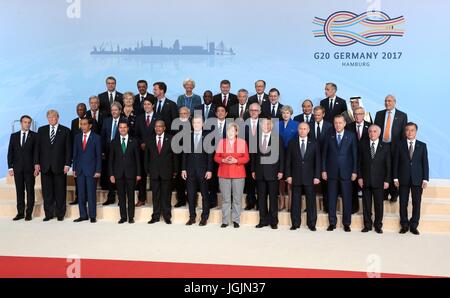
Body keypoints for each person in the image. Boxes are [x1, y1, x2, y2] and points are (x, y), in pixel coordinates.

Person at [322, 115, 357, 232]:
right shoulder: (328, 136)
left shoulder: (351, 136)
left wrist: (354, 171)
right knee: (331, 199)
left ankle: (346, 223)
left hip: (346, 173)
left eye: (340, 123)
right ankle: (332, 223)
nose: (338, 125)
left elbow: (355, 156)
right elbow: (324, 155)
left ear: (344, 124)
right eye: (336, 123)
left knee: (347, 199)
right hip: (331, 173)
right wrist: (323, 170)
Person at [36, 110, 72, 221]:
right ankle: (49, 214)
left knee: (60, 191)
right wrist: (36, 163)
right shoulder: (41, 130)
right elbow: (37, 149)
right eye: (50, 117)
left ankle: (60, 214)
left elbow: (68, 150)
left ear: (58, 117)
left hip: (60, 166)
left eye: (54, 117)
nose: (52, 119)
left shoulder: (65, 131)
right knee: (47, 192)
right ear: (47, 118)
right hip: (45, 166)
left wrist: (67, 164)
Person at [393, 122, 429, 235]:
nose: (410, 132)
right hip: (403, 179)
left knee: (416, 203)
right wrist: (395, 178)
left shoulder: (422, 145)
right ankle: (404, 225)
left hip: (417, 179)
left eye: (412, 130)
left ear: (416, 131)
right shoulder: (399, 145)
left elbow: (425, 163)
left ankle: (414, 225)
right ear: (405, 131)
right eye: (407, 130)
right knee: (403, 203)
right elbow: (395, 163)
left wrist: (425, 179)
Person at [285, 122, 321, 231]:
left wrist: (317, 176)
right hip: (295, 177)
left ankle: (312, 224)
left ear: (308, 130)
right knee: (295, 201)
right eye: (300, 128)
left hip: (310, 177)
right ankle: (295, 223)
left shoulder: (314, 143)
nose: (302, 131)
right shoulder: (292, 143)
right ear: (298, 129)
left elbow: (317, 161)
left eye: (305, 129)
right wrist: (288, 175)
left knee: (311, 201)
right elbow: (288, 161)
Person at [214, 123, 249, 228]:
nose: (230, 133)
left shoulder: (242, 143)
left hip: (238, 173)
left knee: (237, 199)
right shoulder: (221, 142)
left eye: (233, 131)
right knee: (225, 199)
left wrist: (236, 160)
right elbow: (216, 157)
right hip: (224, 173)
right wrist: (223, 160)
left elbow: (246, 158)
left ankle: (236, 220)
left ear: (236, 132)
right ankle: (225, 221)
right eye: (229, 131)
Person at [251, 118, 284, 229]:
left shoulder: (277, 138)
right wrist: (253, 170)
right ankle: (263, 220)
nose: (266, 126)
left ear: (271, 125)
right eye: (264, 124)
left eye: (268, 124)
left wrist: (281, 171)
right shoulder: (256, 138)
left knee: (273, 198)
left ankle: (273, 221)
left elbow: (281, 156)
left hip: (273, 172)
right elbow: (253, 156)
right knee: (261, 198)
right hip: (259, 172)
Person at [357, 124, 390, 234]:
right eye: (370, 131)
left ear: (379, 133)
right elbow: (359, 163)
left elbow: (388, 165)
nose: (372, 133)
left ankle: (378, 225)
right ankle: (367, 225)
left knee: (379, 205)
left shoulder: (385, 146)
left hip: (379, 181)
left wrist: (387, 180)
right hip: (365, 180)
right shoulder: (363, 145)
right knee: (366, 205)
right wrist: (360, 177)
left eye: (375, 131)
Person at [374, 95, 408, 203]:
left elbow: (404, 134)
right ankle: (383, 192)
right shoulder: (379, 114)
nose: (387, 103)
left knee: (394, 169)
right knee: (382, 168)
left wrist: (402, 149)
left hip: (395, 147)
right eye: (385, 101)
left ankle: (394, 193)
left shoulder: (402, 115)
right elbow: (375, 130)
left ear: (394, 102)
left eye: (389, 101)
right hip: (382, 146)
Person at [181, 116, 213, 226]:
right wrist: (183, 169)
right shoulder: (187, 137)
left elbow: (210, 155)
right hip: (190, 170)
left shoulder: (207, 137)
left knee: (205, 194)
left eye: (198, 122)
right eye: (194, 122)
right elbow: (184, 154)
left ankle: (204, 217)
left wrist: (209, 169)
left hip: (203, 170)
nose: (196, 124)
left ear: (203, 124)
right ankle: (192, 217)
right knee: (190, 194)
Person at [146, 120, 178, 225]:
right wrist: (147, 170)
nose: (158, 128)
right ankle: (155, 216)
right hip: (154, 172)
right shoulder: (150, 139)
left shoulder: (171, 138)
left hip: (167, 171)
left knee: (166, 195)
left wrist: (175, 170)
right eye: (156, 126)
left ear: (164, 128)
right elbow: (147, 157)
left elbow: (175, 156)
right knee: (155, 195)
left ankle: (166, 216)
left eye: (160, 126)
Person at [109, 120, 141, 224]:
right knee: (121, 197)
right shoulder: (114, 142)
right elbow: (111, 160)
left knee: (131, 196)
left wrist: (138, 173)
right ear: (118, 129)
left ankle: (131, 217)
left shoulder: (134, 141)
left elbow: (137, 159)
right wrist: (111, 174)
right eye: (120, 127)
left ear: (128, 128)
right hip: (118, 174)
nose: (122, 129)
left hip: (131, 173)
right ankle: (123, 217)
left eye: (124, 127)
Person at [7, 115, 39, 221]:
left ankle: (28, 213)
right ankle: (20, 213)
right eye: (25, 122)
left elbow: (36, 153)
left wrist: (36, 166)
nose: (27, 124)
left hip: (30, 169)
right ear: (21, 123)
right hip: (18, 168)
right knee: (19, 191)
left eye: (29, 122)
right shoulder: (14, 136)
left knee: (30, 191)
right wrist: (10, 168)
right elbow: (10, 152)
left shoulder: (35, 136)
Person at [72, 118, 102, 223]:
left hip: (91, 170)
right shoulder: (77, 137)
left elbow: (98, 156)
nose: (83, 126)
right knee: (81, 194)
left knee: (91, 193)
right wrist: (74, 168)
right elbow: (75, 154)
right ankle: (83, 215)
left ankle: (92, 215)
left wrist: (98, 170)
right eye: (81, 124)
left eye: (85, 124)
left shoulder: (96, 138)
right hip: (79, 170)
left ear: (90, 126)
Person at [347, 107, 371, 214]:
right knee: (352, 185)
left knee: (364, 183)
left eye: (360, 113)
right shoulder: (348, 126)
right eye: (355, 114)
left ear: (364, 114)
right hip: (351, 159)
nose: (357, 116)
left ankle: (367, 210)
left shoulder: (370, 126)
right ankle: (354, 207)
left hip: (365, 160)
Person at [309, 106, 332, 212]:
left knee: (326, 185)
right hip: (311, 159)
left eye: (318, 115)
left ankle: (327, 206)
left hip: (326, 159)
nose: (316, 117)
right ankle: (311, 207)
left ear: (323, 114)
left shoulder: (330, 126)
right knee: (310, 185)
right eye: (315, 115)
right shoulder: (309, 125)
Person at [134, 98, 157, 206]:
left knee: (155, 175)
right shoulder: (139, 118)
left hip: (155, 151)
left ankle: (156, 199)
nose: (146, 106)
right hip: (142, 151)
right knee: (141, 176)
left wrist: (149, 144)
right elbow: (136, 134)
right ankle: (142, 198)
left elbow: (160, 133)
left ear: (153, 105)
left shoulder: (159, 118)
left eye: (148, 104)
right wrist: (141, 143)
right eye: (145, 104)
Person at [100, 102, 123, 205]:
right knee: (110, 174)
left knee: (120, 175)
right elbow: (103, 137)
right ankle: (111, 197)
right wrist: (103, 151)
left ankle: (121, 198)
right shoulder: (106, 121)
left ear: (120, 111)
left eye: (116, 110)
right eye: (112, 110)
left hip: (120, 152)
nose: (114, 112)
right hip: (109, 152)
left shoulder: (124, 121)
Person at [206, 105, 229, 208]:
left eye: (222, 111)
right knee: (213, 180)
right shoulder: (210, 125)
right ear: (215, 113)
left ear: (226, 113)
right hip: (213, 155)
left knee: (227, 180)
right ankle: (213, 201)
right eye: (218, 111)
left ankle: (228, 202)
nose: (220, 113)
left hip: (227, 156)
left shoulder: (231, 125)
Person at [278, 105, 298, 211]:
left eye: (287, 113)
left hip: (292, 156)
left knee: (290, 181)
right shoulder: (277, 124)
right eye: (283, 113)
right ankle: (282, 203)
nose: (285, 115)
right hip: (280, 156)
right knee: (280, 182)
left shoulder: (296, 124)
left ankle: (290, 204)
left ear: (291, 114)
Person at [242, 103, 261, 210]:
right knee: (249, 181)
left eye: (256, 110)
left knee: (260, 181)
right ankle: (250, 202)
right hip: (247, 157)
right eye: (251, 110)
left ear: (259, 112)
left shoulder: (265, 124)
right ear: (249, 112)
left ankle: (260, 202)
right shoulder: (243, 124)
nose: (253, 112)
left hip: (260, 157)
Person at [70, 103, 89, 206]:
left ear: (86, 110)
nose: (80, 111)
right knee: (77, 178)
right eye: (78, 109)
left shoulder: (90, 121)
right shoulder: (73, 122)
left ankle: (86, 197)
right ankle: (78, 197)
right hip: (77, 155)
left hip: (87, 154)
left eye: (82, 109)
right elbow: (72, 138)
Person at [172, 107, 191, 207]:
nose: (183, 115)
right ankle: (181, 200)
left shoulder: (194, 125)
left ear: (189, 114)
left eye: (185, 113)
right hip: (179, 157)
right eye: (181, 113)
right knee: (179, 180)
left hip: (191, 157)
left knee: (190, 180)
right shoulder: (175, 127)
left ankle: (192, 200)